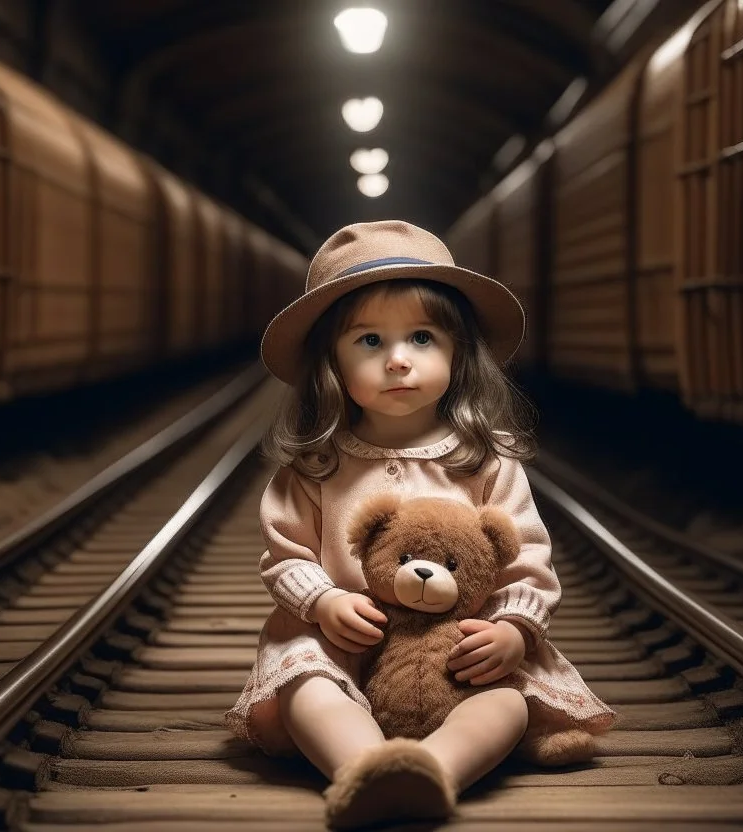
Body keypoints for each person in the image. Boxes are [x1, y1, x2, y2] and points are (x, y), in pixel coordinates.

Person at [224, 220, 615, 829]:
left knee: (506, 700)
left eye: (423, 337)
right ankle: (366, 766)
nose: (399, 360)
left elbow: (526, 559)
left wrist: (514, 628)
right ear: (331, 362)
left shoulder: (486, 459)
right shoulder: (317, 464)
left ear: (458, 353)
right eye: (370, 340)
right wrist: (323, 601)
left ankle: (436, 768)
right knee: (304, 680)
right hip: (344, 642)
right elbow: (286, 554)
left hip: (458, 650)